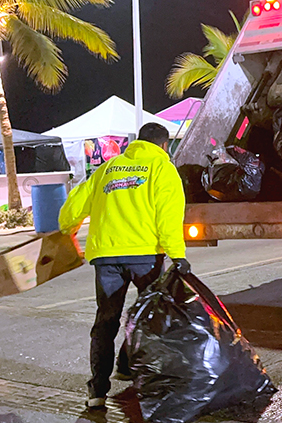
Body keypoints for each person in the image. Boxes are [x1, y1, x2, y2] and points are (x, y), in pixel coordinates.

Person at [59, 122, 189, 410]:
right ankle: (147, 386)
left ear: (137, 142)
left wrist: (67, 228)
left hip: (106, 256)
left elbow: (72, 207)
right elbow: (167, 215)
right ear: (163, 145)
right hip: (144, 257)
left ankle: (97, 391)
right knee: (148, 319)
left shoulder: (108, 168)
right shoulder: (162, 168)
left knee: (106, 321)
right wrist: (177, 254)